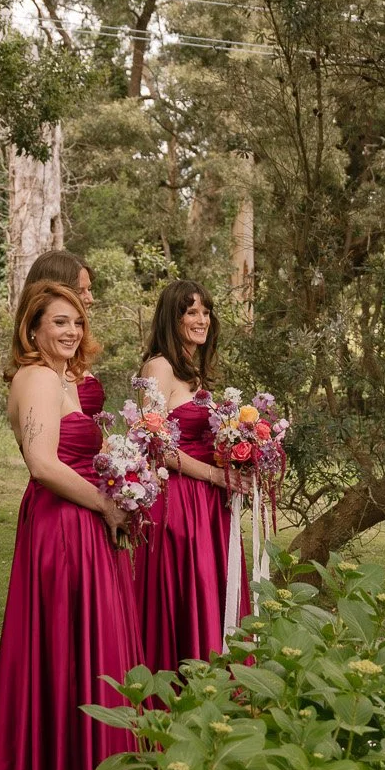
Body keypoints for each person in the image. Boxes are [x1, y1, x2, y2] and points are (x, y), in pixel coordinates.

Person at [0, 282, 142, 770]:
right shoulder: (36, 377)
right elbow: (40, 463)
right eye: (58, 322)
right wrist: (105, 502)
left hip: (81, 521)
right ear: (32, 329)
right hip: (63, 526)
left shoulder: (68, 380)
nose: (70, 332)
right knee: (69, 654)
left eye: (77, 323)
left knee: (92, 653)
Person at [133, 279, 247, 675]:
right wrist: (217, 475)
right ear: (172, 317)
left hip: (209, 506)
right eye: (191, 312)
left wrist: (240, 454)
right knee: (186, 593)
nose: (202, 319)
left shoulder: (196, 373)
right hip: (179, 504)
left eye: (206, 311)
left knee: (213, 594)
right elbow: (156, 446)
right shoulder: (159, 368)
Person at [19, 251, 102, 417]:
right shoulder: (38, 377)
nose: (90, 298)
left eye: (90, 289)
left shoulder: (69, 354)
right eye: (81, 290)